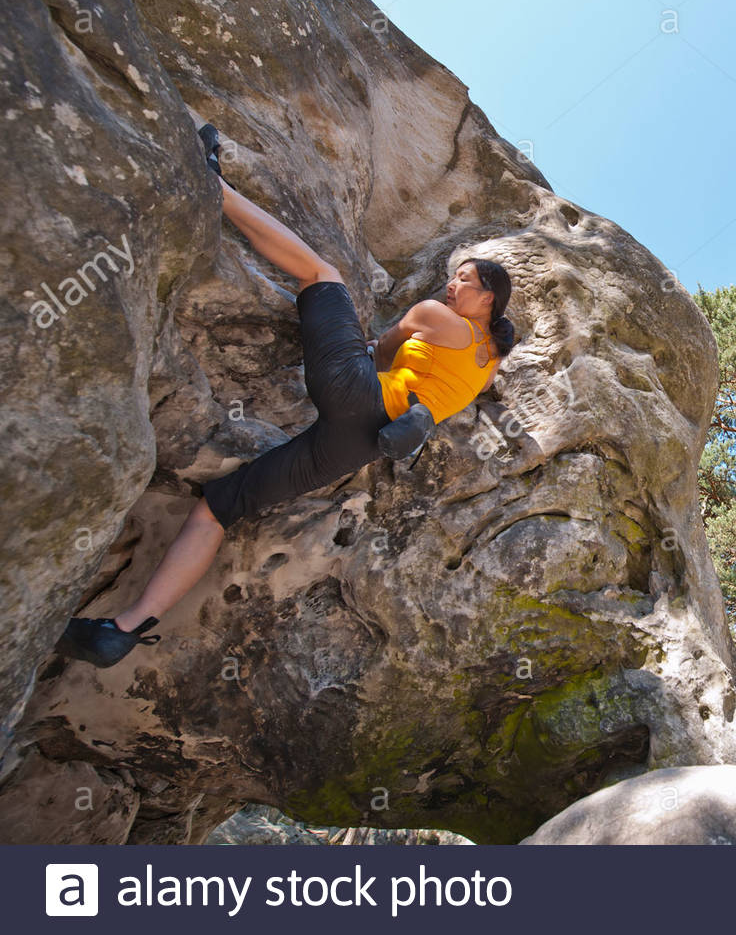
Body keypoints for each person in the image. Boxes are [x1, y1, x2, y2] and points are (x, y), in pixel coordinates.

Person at [57, 124, 516, 668]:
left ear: (488, 299)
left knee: (323, 273)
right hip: (361, 446)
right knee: (218, 510)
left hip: (357, 390)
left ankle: (214, 187)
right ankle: (121, 632)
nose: (451, 286)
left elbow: (383, 348)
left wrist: (362, 347)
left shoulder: (437, 317)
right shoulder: (488, 366)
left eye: (464, 280)